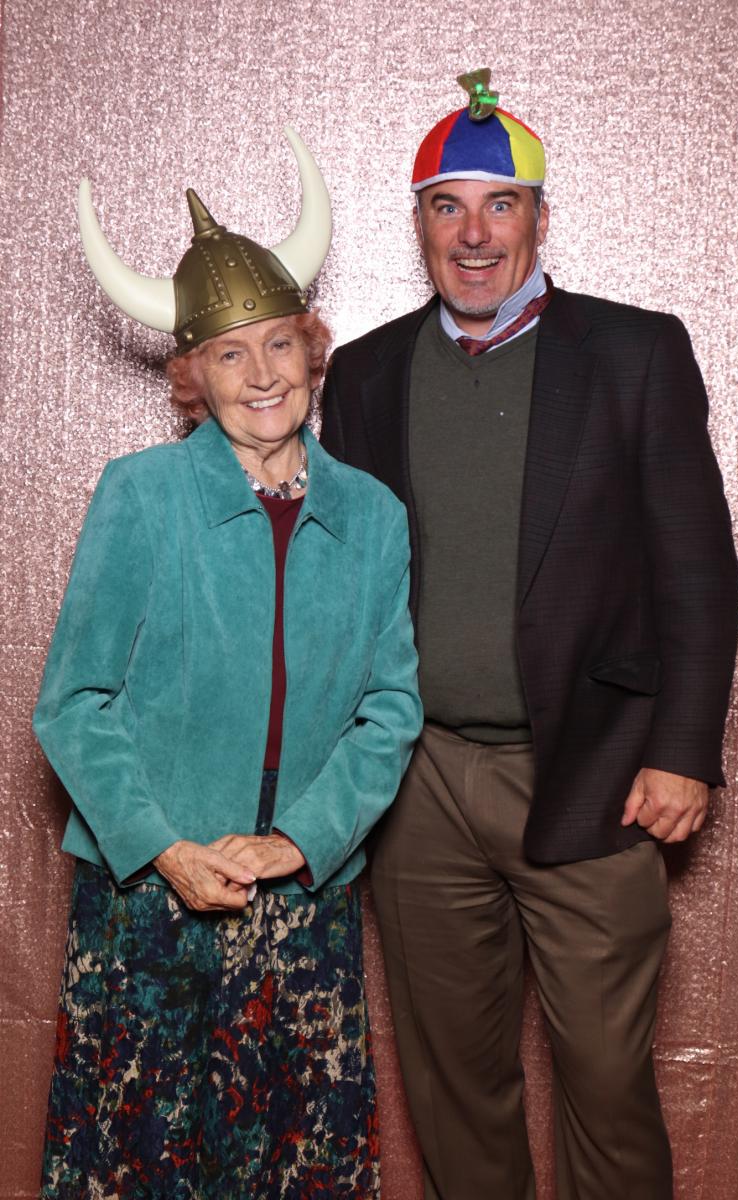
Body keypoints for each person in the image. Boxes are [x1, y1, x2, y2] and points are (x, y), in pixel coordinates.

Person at [320, 70, 738, 1200]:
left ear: (539, 218)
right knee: (453, 1090)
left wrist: (684, 750)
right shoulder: (362, 374)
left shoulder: (635, 352)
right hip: (419, 780)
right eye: (447, 206)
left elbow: (696, 569)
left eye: (499, 204)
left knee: (604, 1081)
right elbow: (339, 577)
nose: (474, 234)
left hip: (594, 774)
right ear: (418, 224)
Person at [33, 126, 422, 1199]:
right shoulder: (140, 495)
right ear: (192, 377)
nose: (261, 375)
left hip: (303, 904)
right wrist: (166, 850)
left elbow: (390, 709)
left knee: (294, 1166)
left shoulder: (374, 516)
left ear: (313, 350)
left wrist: (298, 842)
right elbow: (72, 703)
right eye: (230, 354)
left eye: (279, 345)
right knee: (138, 1164)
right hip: (148, 900)